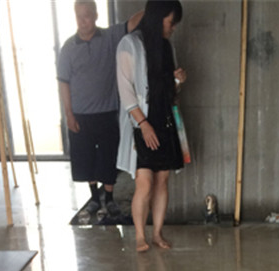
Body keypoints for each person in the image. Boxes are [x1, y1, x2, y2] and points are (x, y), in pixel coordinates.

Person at [57, 1, 143, 219]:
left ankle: (110, 198)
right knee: (86, 158)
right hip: (79, 115)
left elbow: (132, 23)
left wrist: (154, 6)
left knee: (108, 157)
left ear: (96, 15)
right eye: (78, 16)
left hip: (107, 112)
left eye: (86, 15)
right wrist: (68, 114)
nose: (82, 21)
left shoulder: (110, 37)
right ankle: (94, 198)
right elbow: (63, 82)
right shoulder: (68, 48)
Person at [116, 0, 187, 251]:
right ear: (158, 17)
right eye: (171, 22)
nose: (173, 28)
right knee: (144, 181)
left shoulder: (167, 47)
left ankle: (157, 233)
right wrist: (143, 124)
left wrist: (178, 81)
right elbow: (126, 92)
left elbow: (169, 91)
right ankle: (139, 236)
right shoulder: (129, 45)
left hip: (165, 119)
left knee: (162, 179)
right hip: (141, 122)